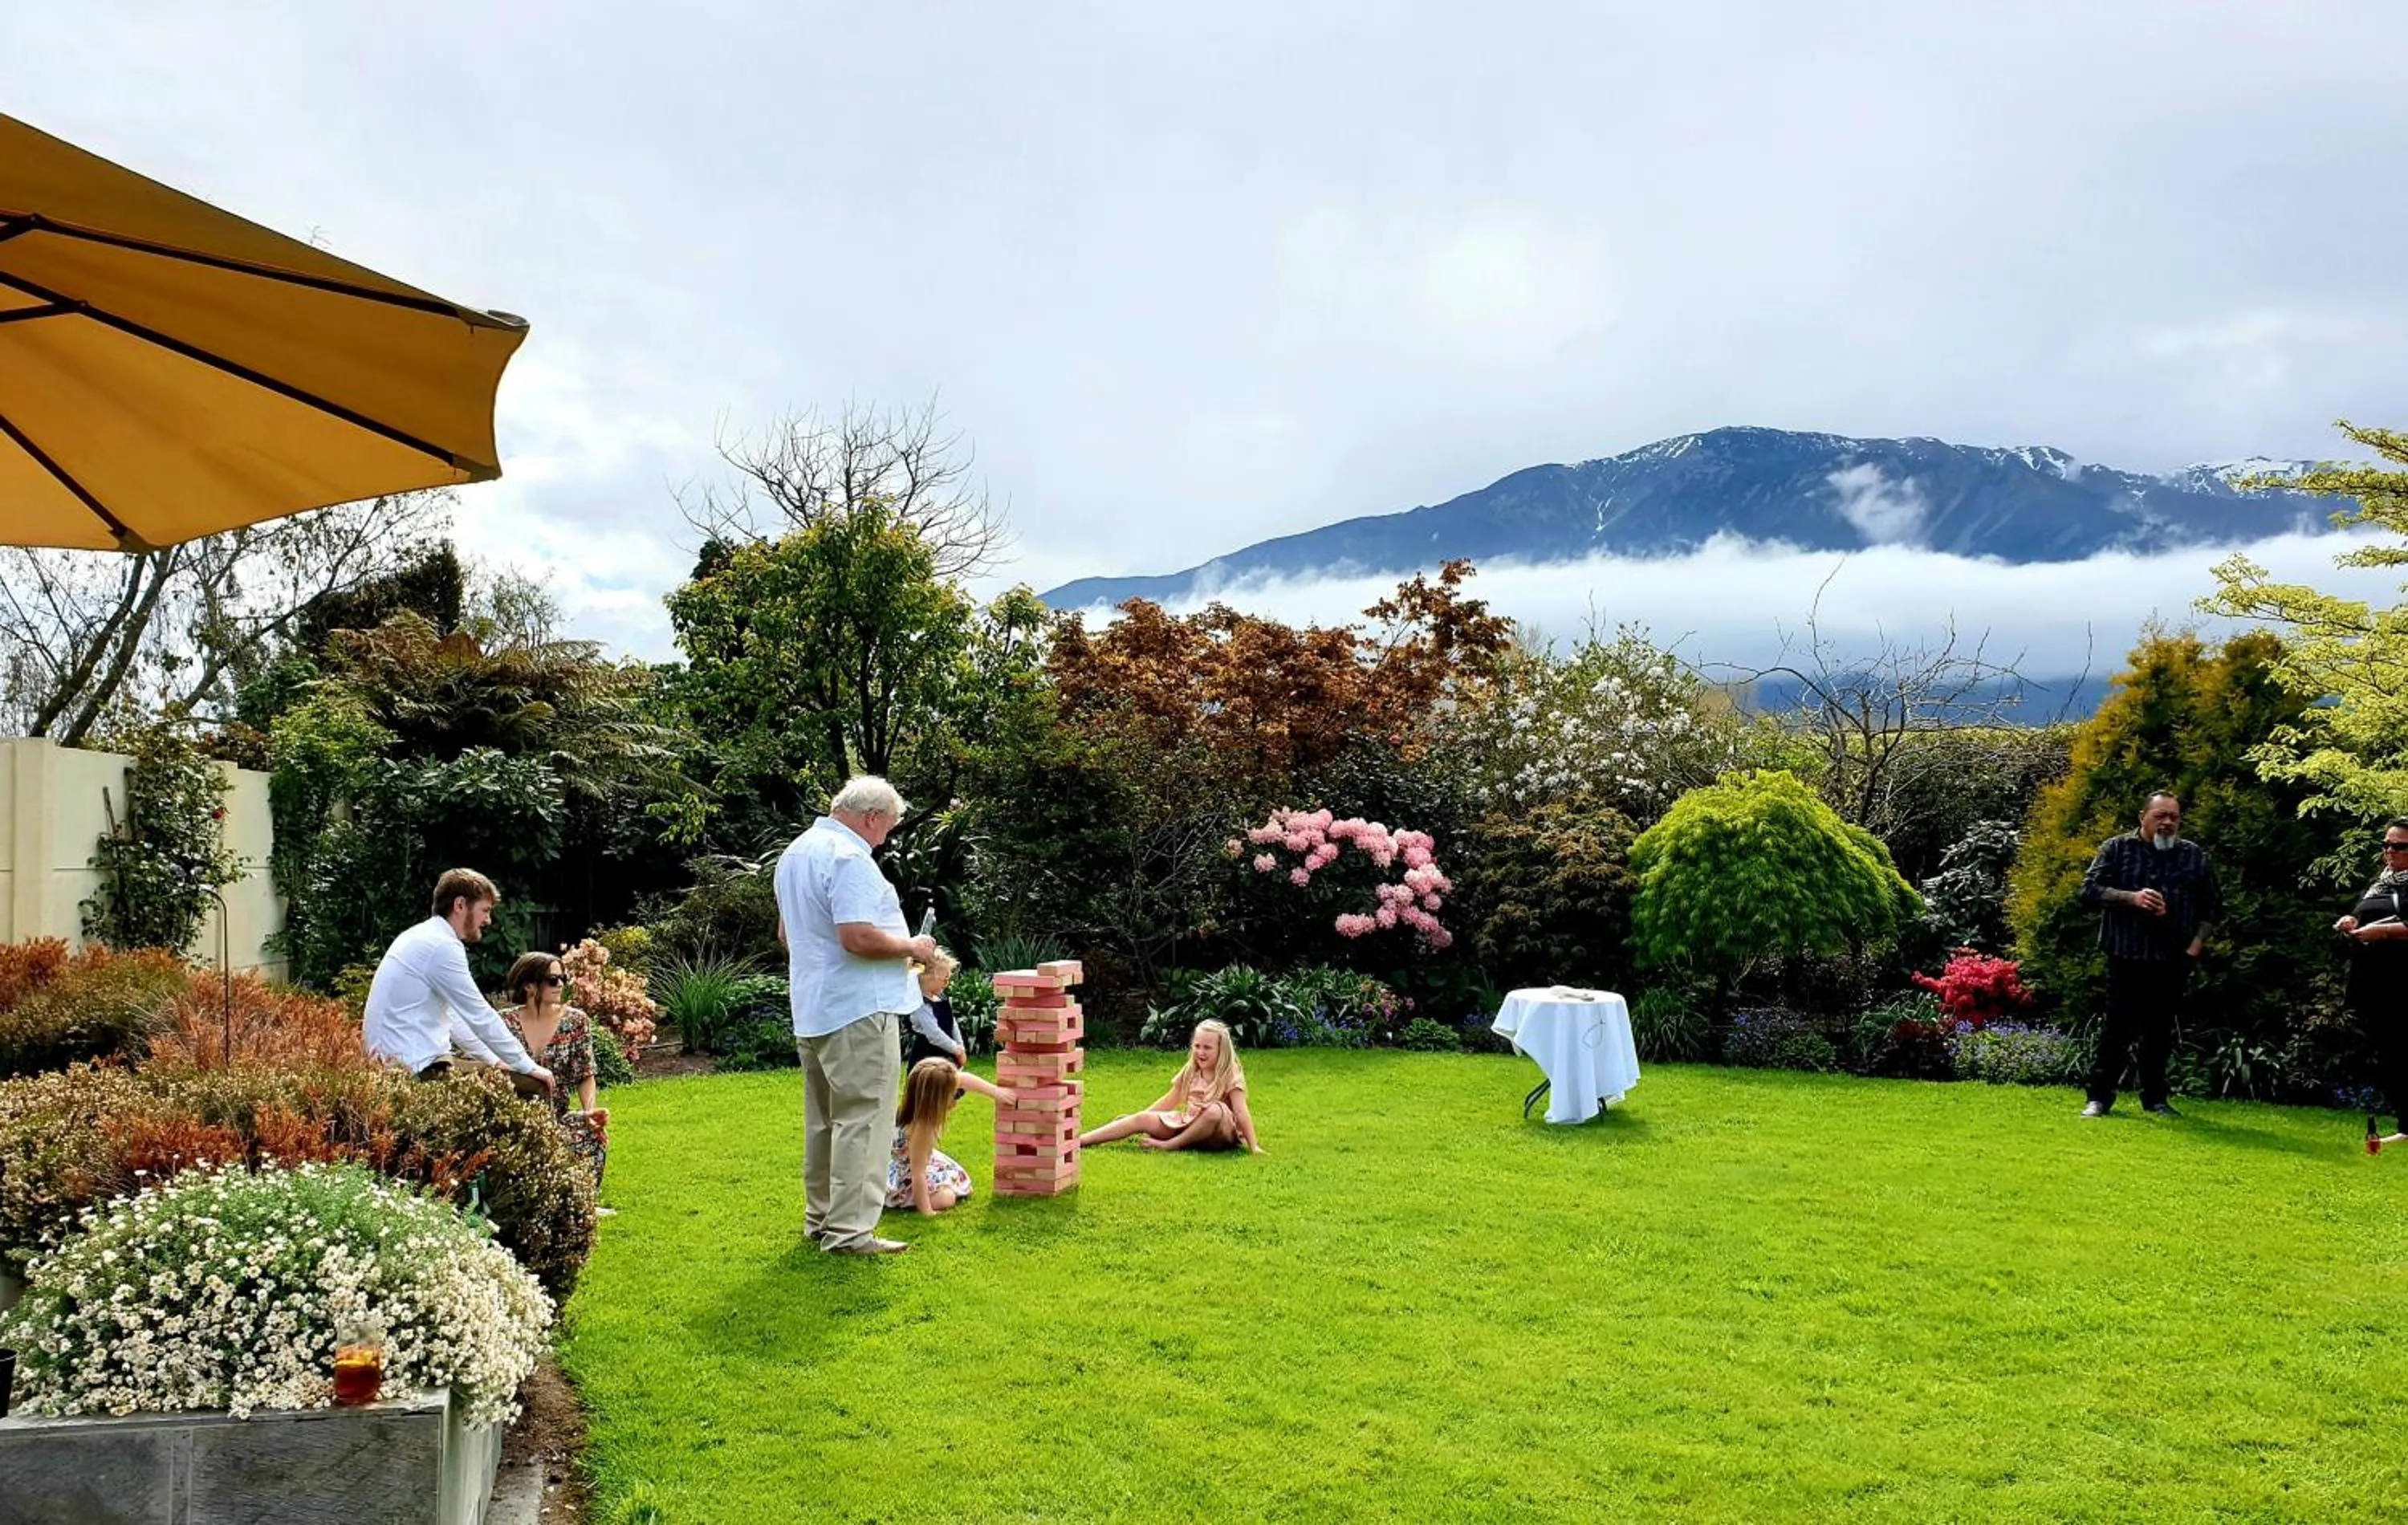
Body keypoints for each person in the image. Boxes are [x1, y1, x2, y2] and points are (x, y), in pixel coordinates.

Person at [776, 776, 938, 1256]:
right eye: (887, 826)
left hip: (814, 1007)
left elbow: (788, 935)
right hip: (859, 1010)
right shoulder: (850, 859)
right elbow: (858, 936)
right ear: (871, 818)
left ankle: (822, 1220)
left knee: (825, 1121)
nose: (887, 837)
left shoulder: (796, 854)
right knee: (863, 1119)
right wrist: (913, 947)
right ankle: (849, 1233)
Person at [2076, 791, 2222, 1118]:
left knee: (2159, 1033)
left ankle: (2155, 1099)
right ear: (2143, 816)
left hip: (2172, 960)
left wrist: (2195, 946)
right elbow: (2088, 890)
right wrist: (2132, 898)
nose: (2168, 822)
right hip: (2125, 955)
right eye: (2161, 816)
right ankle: (2099, 1098)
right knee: (2116, 1029)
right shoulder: (2117, 849)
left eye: (2174, 817)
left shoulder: (2192, 856)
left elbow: (2212, 907)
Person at [363, 868, 554, 1099]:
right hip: (416, 1073)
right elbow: (480, 1015)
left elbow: (455, 1018)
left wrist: (496, 1061)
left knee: (506, 1074)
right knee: (533, 1085)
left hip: (404, 1066)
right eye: (485, 910)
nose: (488, 920)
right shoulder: (441, 946)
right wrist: (527, 1065)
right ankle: (554, 1133)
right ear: (460, 905)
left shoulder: (422, 936)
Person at [499, 950, 610, 1189]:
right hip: (513, 1117)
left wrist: (589, 1111)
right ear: (529, 986)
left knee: (593, 1133)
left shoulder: (576, 1021)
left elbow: (585, 1074)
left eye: (563, 978)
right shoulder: (503, 1024)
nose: (560, 984)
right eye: (552, 980)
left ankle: (582, 1201)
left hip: (558, 1114)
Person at [1078, 1019, 1265, 1154]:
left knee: (1216, 1110)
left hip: (1219, 1134)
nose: (1200, 1052)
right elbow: (1170, 1099)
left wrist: (1254, 1146)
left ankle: (1171, 1145)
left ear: (1221, 1050)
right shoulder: (1192, 1069)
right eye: (1197, 1046)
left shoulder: (1230, 1072)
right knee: (1141, 1118)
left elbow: (1241, 1112)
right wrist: (1139, 1118)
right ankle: (1080, 1141)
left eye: (1207, 1048)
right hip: (1188, 1124)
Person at [2336, 818, 2408, 1154]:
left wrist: (2385, 933)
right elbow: (2363, 914)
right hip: (2376, 980)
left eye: (2399, 846)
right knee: (2390, 1053)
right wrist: (2350, 921)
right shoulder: (2381, 882)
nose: (2389, 851)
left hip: (2402, 979)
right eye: (2386, 845)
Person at [888, 1056, 1018, 1214]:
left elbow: (964, 1079)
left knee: (955, 1178)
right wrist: (928, 1212)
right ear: (935, 1101)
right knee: (946, 1198)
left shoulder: (917, 1109)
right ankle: (910, 1199)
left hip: (915, 1160)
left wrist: (997, 1093)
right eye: (953, 1095)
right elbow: (918, 1174)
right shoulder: (922, 1129)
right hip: (906, 1176)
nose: (956, 1099)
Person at [905, 947, 968, 1068]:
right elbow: (934, 1035)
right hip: (928, 1057)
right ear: (929, 977)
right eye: (944, 979)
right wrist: (956, 1049)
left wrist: (960, 1047)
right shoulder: (921, 1005)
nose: (947, 984)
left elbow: (952, 1023)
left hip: (947, 1051)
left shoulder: (941, 998)